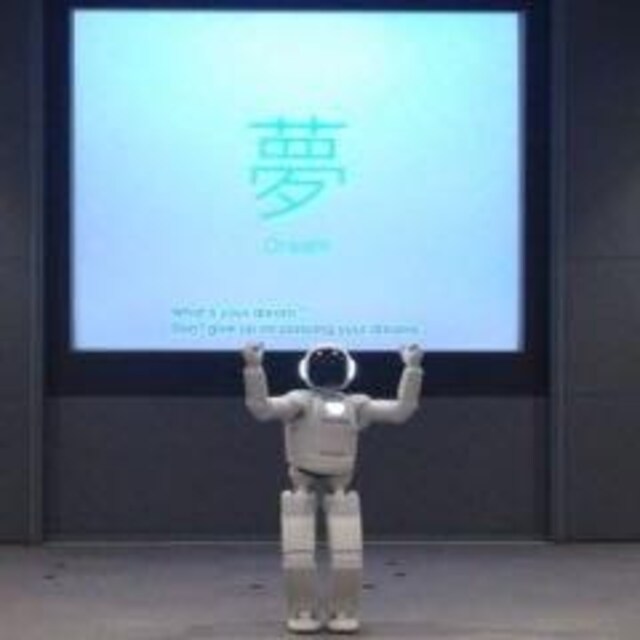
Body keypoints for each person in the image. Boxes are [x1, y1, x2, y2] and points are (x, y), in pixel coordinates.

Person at [242, 342, 423, 634]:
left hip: (340, 485)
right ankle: (302, 609)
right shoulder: (300, 402)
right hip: (303, 481)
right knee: (298, 555)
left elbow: (401, 410)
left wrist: (412, 368)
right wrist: (253, 367)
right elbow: (261, 408)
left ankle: (344, 609)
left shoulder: (356, 405)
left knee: (348, 555)